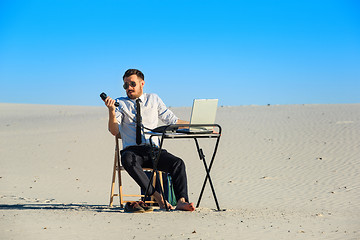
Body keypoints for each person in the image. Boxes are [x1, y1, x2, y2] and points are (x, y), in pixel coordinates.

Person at [104, 69, 195, 212]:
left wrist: (198, 126)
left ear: (142, 83)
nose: (129, 88)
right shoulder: (119, 103)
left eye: (132, 84)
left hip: (153, 150)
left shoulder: (153, 99)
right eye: (125, 85)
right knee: (128, 160)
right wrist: (111, 111)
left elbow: (173, 120)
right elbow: (114, 131)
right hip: (132, 151)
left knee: (178, 163)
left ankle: (182, 201)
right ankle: (158, 197)